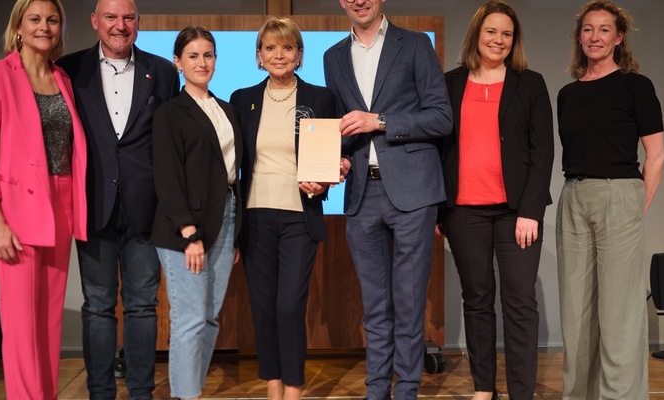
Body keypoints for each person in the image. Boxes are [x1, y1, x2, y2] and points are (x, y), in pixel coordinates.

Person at [323, 0, 453, 398]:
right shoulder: (333, 56)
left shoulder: (414, 44)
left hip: (414, 190)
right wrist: (341, 158)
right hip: (363, 193)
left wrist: (379, 121)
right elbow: (344, 128)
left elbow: (441, 117)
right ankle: (377, 389)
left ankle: (406, 389)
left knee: (410, 301)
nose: (359, 1)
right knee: (375, 304)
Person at [55, 0, 179, 398]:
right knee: (98, 306)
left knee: (143, 306)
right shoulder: (69, 70)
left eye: (128, 18)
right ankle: (100, 393)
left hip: (147, 208)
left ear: (138, 22)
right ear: (95, 21)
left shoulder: (162, 71)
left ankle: (141, 392)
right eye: (111, 17)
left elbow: (168, 142)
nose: (120, 26)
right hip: (92, 205)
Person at [0, 0, 87, 398]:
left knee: (49, 321)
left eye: (52, 20)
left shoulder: (62, 78)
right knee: (21, 326)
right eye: (35, 19)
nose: (44, 27)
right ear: (18, 26)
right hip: (15, 211)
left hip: (62, 204)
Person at [439, 2, 553, 399]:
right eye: (491, 31)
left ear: (514, 40)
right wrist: (440, 210)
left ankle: (521, 392)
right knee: (477, 300)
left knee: (520, 301)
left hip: (516, 213)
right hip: (463, 211)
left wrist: (531, 212)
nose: (498, 40)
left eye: (506, 34)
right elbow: (439, 150)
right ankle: (484, 388)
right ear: (477, 34)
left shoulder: (530, 83)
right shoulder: (450, 83)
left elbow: (543, 151)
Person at [556, 1, 664, 399]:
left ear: (619, 38)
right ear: (579, 36)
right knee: (576, 313)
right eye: (588, 29)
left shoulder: (637, 86)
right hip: (574, 195)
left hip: (619, 193)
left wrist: (637, 206)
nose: (595, 36)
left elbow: (656, 155)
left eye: (604, 30)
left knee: (619, 312)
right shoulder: (567, 94)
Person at [229, 17, 339, 400]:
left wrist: (325, 180)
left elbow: (333, 156)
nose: (279, 55)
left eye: (288, 47)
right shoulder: (242, 99)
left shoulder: (321, 98)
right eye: (271, 48)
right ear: (259, 55)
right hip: (255, 216)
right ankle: (273, 386)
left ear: (299, 54)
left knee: (289, 306)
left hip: (299, 216)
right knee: (263, 307)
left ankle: (293, 387)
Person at [151, 25, 242, 400]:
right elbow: (167, 177)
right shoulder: (170, 113)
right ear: (177, 62)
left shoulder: (227, 109)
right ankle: (186, 396)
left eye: (208, 55)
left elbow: (232, 172)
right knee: (189, 319)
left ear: (216, 59)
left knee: (208, 317)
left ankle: (192, 391)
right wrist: (189, 232)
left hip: (227, 218)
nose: (201, 62)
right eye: (192, 56)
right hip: (185, 227)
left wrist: (235, 232)